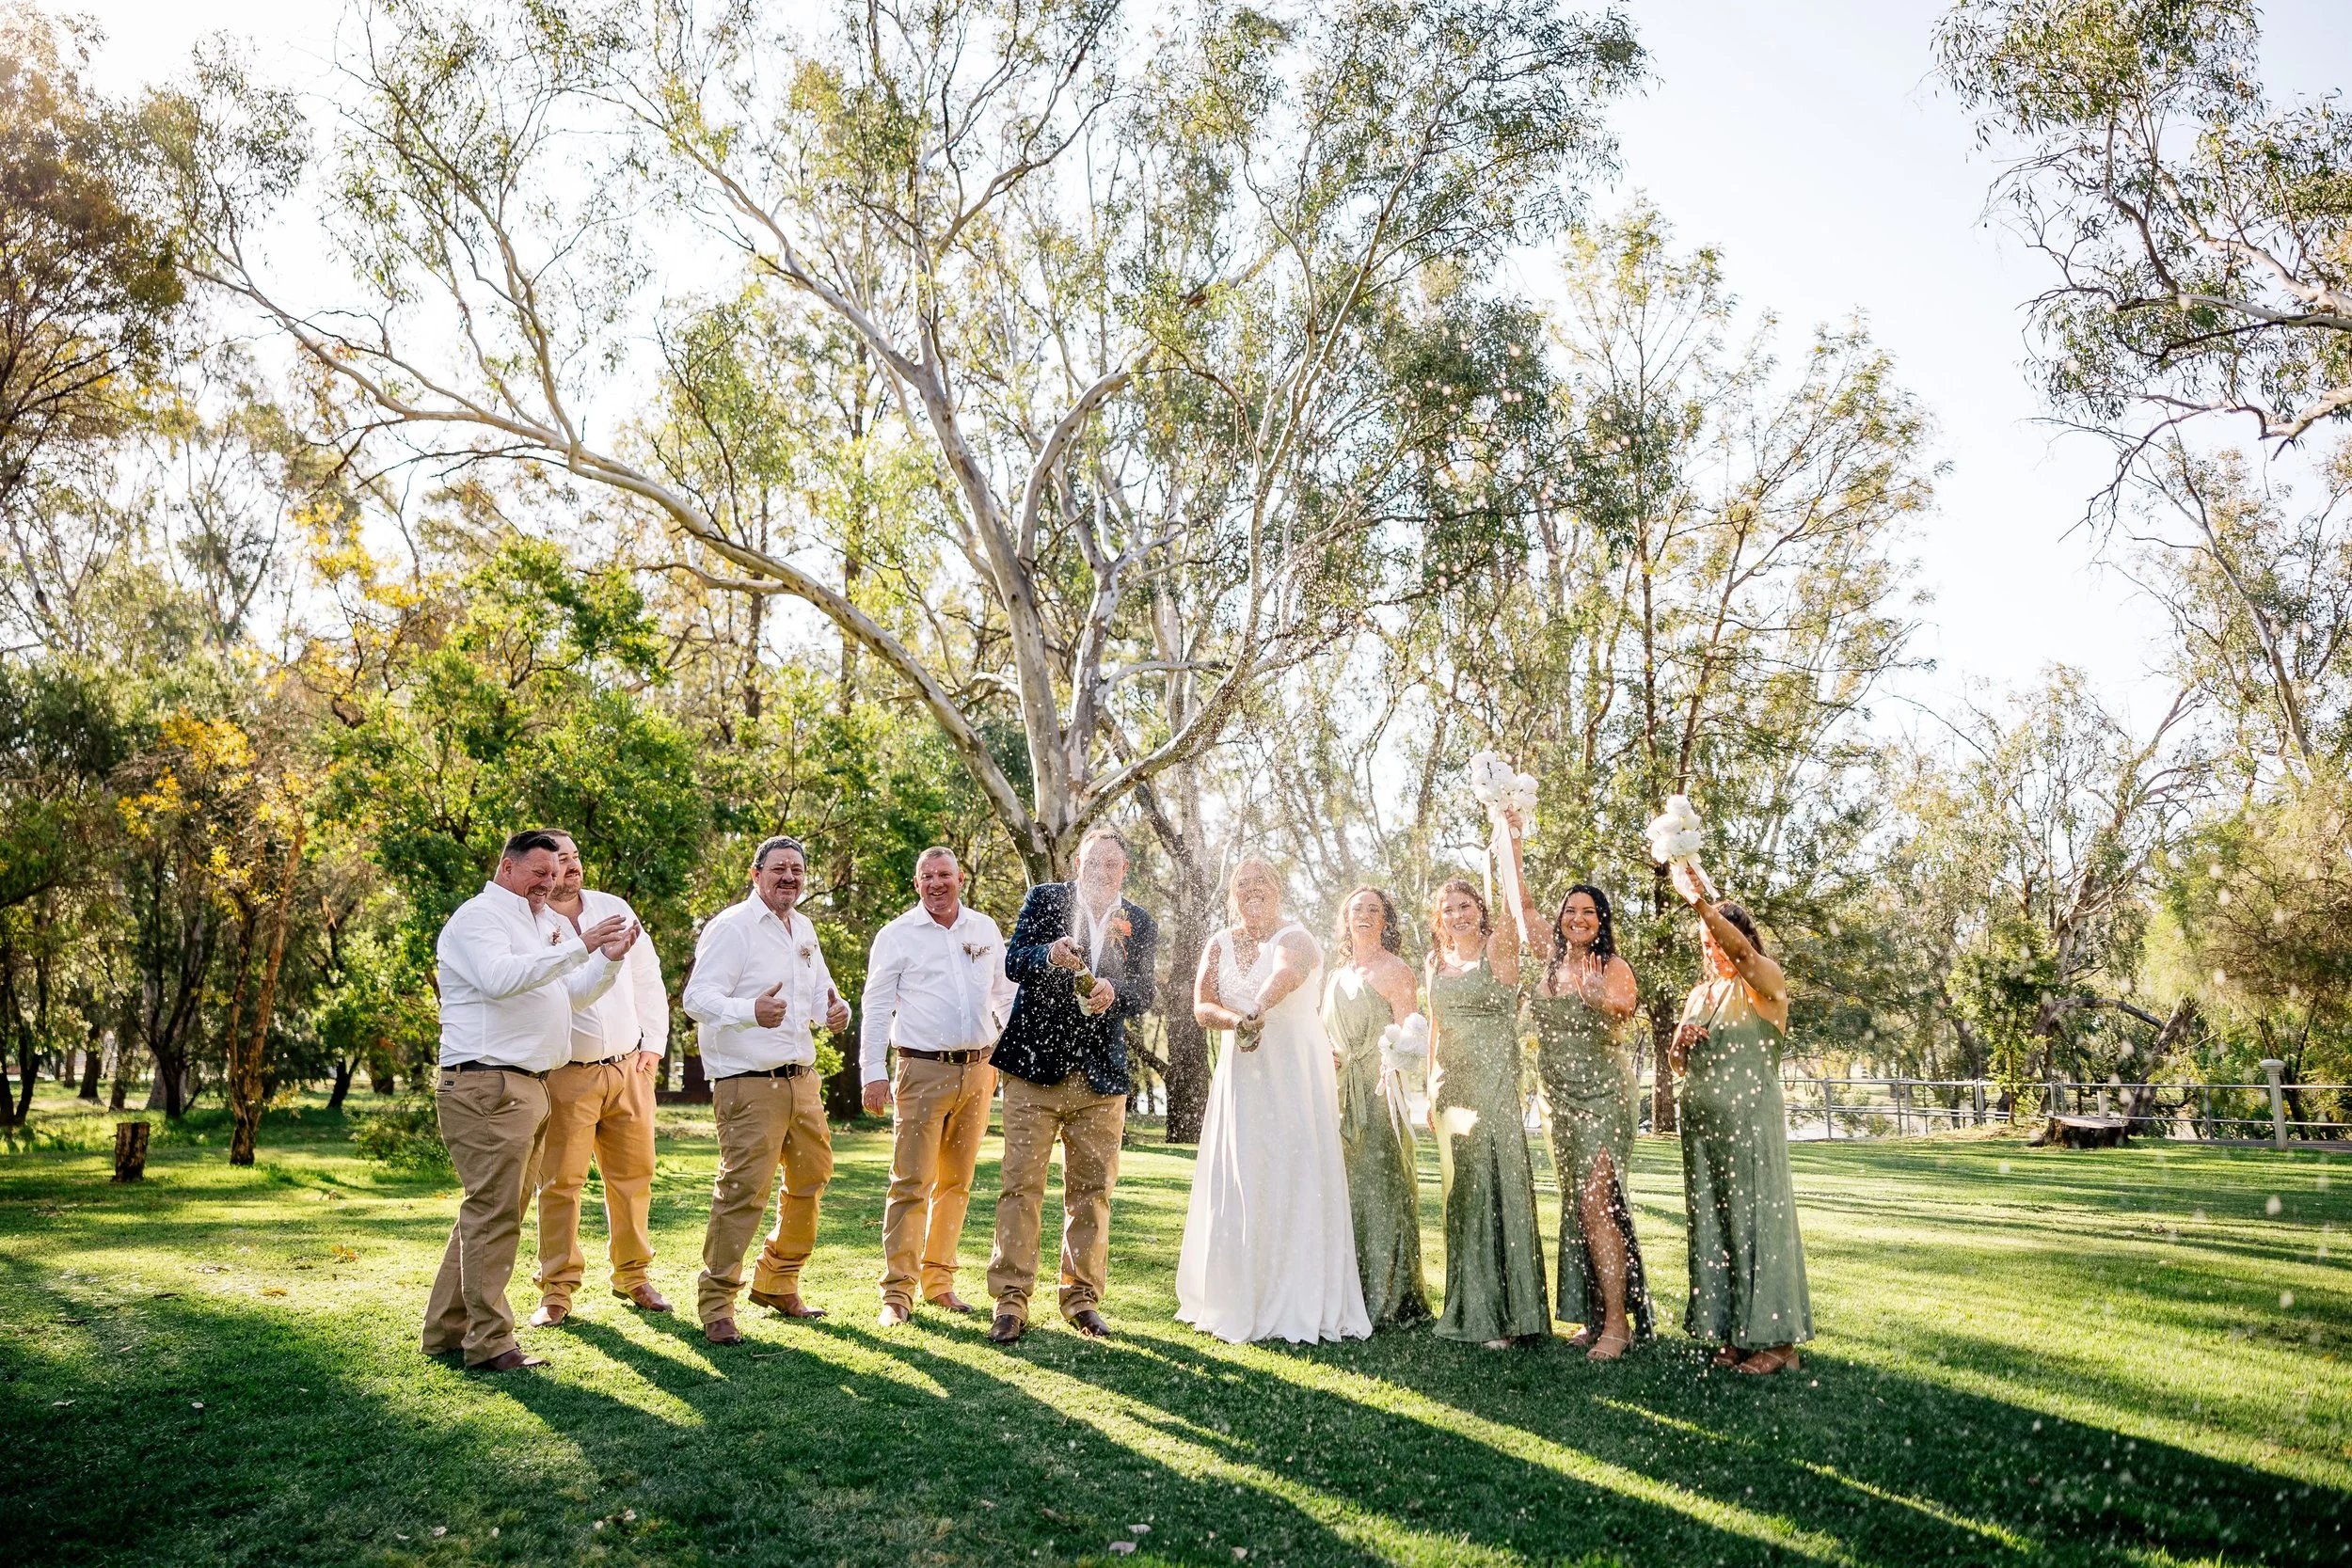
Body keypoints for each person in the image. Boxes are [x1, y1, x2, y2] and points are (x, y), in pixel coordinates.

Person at [422, 829, 637, 1371]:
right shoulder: (479, 918)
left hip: (530, 1087)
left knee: (490, 1211)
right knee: (494, 1215)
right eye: (539, 872)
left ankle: (445, 1332)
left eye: (557, 871)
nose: (550, 881)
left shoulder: (544, 924)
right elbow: (499, 980)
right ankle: (490, 1344)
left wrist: (607, 959)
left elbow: (571, 994)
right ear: (507, 867)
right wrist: (579, 945)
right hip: (486, 1084)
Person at [1176, 859, 1371, 1344]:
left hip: (1292, 1081)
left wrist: (1255, 1009)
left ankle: (1296, 1297)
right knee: (1245, 1177)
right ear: (1232, 895)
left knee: (1292, 1174)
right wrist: (1233, 1019)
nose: (1251, 890)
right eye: (1242, 884)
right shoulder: (1219, 943)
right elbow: (1201, 1005)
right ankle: (1240, 1295)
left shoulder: (1297, 937)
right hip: (1241, 1080)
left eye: (1261, 881)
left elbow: (1282, 976)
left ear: (1279, 890)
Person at [984, 826, 1158, 1345]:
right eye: (1093, 862)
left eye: (1112, 864)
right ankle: (1011, 1301)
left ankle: (1081, 1299)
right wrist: (1047, 957)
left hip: (1101, 1077)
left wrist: (1115, 991)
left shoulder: (1140, 921)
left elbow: (1145, 992)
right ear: (1077, 865)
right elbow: (1014, 961)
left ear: (1124, 870)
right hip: (1034, 1069)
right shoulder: (1044, 900)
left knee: (1092, 1192)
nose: (1102, 871)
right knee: (1021, 1186)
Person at [683, 834, 852, 1346]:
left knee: (812, 1178)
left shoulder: (803, 929)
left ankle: (778, 1281)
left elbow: (821, 995)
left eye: (798, 870)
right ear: (755, 874)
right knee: (743, 1193)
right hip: (747, 1084)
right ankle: (717, 1305)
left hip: (802, 1080)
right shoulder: (732, 928)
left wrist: (835, 1011)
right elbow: (696, 997)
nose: (790, 877)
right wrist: (748, 1011)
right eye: (779, 868)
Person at [860, 847, 1017, 1327]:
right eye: (926, 876)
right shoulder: (896, 935)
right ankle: (897, 1293)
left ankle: (940, 1281)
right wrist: (873, 1071)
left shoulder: (984, 929)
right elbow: (877, 1004)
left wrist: (1011, 1059)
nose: (936, 883)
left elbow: (1005, 995)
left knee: (956, 1182)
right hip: (920, 1071)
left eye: (944, 874)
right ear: (916, 885)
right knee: (911, 1182)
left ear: (960, 878)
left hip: (980, 1069)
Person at [1668, 859, 1812, 1375]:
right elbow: (1679, 1064)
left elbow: (1743, 955)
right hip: (1704, 1132)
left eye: (1718, 941)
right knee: (1717, 1228)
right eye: (1705, 945)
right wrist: (1679, 1043)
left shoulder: (1762, 983)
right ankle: (1732, 1331)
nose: (1713, 952)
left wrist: (1700, 904)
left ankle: (1778, 1343)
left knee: (1759, 1225)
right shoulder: (1699, 995)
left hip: (1751, 1126)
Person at [531, 832, 672, 1326]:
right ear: (539, 869)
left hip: (628, 1069)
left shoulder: (614, 907)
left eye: (574, 858)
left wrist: (653, 1044)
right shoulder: (532, 923)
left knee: (633, 1178)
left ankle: (633, 1275)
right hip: (566, 1074)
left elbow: (647, 979)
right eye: (558, 861)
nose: (569, 868)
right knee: (560, 1183)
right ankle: (557, 1289)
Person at [1426, 813, 1549, 1348]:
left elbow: (1513, 908)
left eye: (1465, 906)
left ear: (1480, 912)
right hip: (1450, 1092)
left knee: (1498, 1185)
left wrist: (1511, 842)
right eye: (1448, 909)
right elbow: (1433, 1029)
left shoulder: (1500, 952)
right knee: (1464, 1195)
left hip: (1495, 1088)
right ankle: (1471, 1306)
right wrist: (1428, 1086)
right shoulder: (1434, 964)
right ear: (1438, 919)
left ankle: (1507, 1315)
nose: (1457, 915)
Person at [1521, 882, 1650, 1359]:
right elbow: (1525, 903)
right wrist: (1508, 826)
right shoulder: (1548, 959)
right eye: (1570, 911)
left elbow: (1625, 1009)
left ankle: (1618, 1325)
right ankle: (1595, 1316)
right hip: (1558, 1100)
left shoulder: (1611, 966)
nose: (1579, 918)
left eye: (1589, 912)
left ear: (1602, 921)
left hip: (1604, 1097)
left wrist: (1598, 998)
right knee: (1580, 1207)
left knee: (1598, 1204)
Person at [1320, 885, 1431, 1329]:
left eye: (1374, 909)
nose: (1364, 915)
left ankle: (1388, 1296)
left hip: (1381, 1092)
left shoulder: (1397, 970)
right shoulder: (1334, 974)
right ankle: (1347, 1291)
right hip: (1338, 1093)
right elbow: (1324, 1031)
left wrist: (1394, 1074)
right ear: (1345, 920)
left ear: (1386, 920)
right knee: (1344, 1192)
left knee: (1381, 1191)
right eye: (1356, 909)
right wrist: (1323, 1053)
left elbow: (1412, 1034)